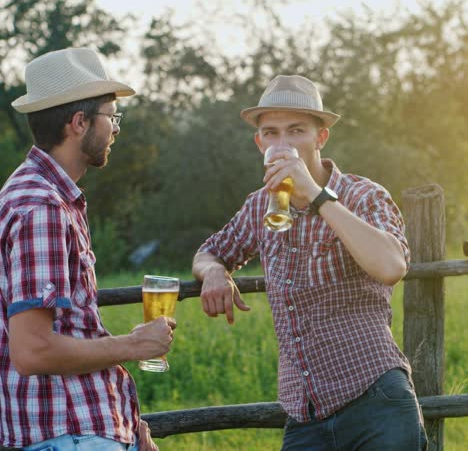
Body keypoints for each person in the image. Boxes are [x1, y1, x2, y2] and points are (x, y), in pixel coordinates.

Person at [192, 75, 427, 450]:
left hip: (375, 399)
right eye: (271, 133)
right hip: (306, 416)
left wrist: (317, 196)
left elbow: (391, 267)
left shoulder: (362, 195)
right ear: (259, 143)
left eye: (296, 130)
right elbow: (209, 251)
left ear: (321, 138)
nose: (282, 144)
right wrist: (216, 271)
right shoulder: (260, 205)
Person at [0, 48, 176, 450]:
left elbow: (71, 327)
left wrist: (129, 425)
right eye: (111, 117)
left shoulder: (46, 197)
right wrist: (134, 345)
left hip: (82, 429)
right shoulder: (41, 207)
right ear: (79, 123)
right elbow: (32, 350)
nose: (115, 129)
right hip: (67, 436)